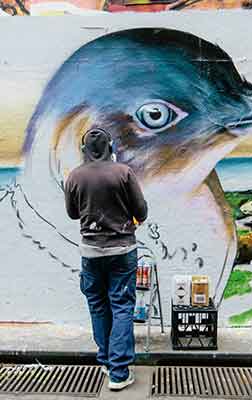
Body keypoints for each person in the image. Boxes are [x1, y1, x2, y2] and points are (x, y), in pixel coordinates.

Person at [64, 128, 148, 391]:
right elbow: (141, 211)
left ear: (84, 150)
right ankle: (119, 372)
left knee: (98, 305)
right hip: (122, 251)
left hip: (90, 252)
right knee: (121, 306)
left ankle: (106, 362)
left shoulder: (74, 176)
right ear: (111, 148)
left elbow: (72, 214)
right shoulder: (123, 173)